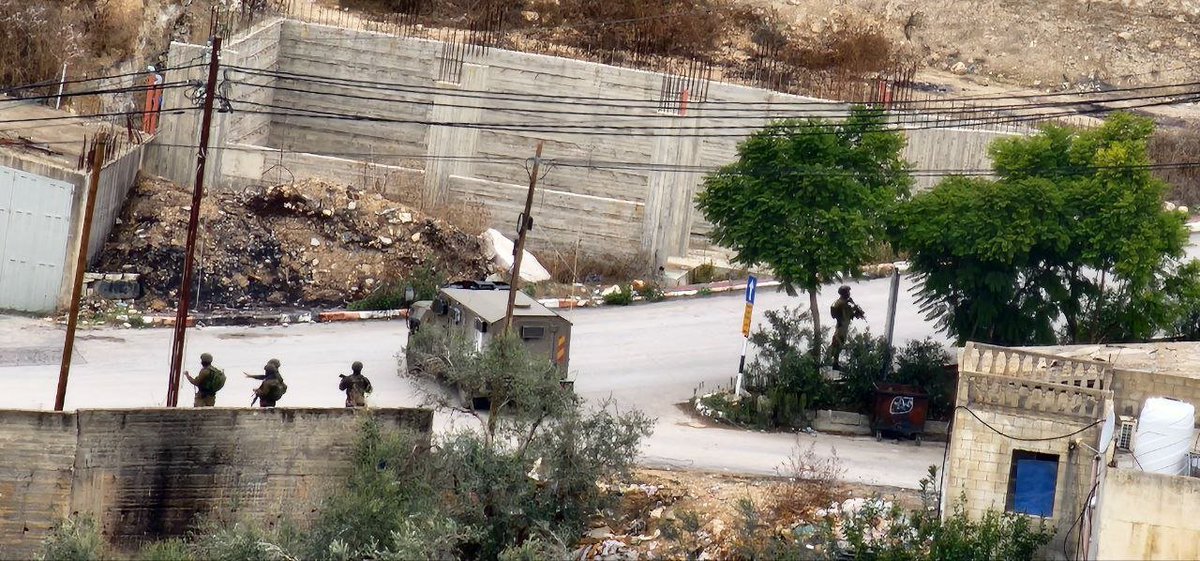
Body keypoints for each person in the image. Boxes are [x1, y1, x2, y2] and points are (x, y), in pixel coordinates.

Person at [829, 285, 865, 370]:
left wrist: (854, 306)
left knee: (839, 344)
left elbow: (852, 315)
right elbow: (849, 314)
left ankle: (834, 362)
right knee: (838, 343)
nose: (849, 293)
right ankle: (834, 363)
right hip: (841, 327)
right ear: (844, 293)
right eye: (848, 292)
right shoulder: (841, 304)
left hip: (843, 326)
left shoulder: (845, 303)